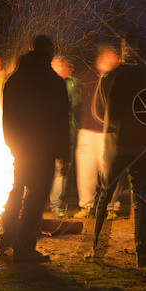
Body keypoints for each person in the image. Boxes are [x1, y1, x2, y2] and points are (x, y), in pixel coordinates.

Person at [87, 34, 146, 268]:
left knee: (105, 193)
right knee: (140, 196)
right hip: (143, 144)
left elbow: (99, 113)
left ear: (123, 52)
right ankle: (143, 253)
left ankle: (95, 249)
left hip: (117, 144)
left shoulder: (111, 76)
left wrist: (116, 126)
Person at [0, 35, 70, 263]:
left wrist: (11, 142)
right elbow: (61, 120)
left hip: (22, 147)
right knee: (36, 197)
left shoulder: (15, 79)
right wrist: (63, 153)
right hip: (44, 149)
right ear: (50, 52)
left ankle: (6, 237)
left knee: (18, 190)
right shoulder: (54, 82)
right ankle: (24, 247)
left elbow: (7, 114)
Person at [73, 45, 121, 219]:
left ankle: (110, 206)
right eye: (113, 56)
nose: (117, 59)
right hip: (86, 130)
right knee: (86, 170)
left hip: (109, 133)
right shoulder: (87, 76)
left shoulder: (119, 78)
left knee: (110, 170)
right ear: (101, 57)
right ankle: (86, 205)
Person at [49, 55, 81, 218]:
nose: (62, 68)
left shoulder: (72, 83)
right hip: (45, 133)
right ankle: (37, 203)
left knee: (62, 170)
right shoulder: (44, 82)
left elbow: (74, 104)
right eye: (57, 65)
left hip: (66, 131)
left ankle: (56, 205)